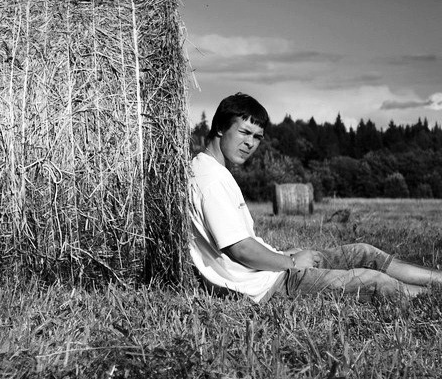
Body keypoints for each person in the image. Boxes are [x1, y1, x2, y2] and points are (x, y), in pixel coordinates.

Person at [189, 92, 442, 303]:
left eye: (257, 137)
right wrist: (290, 261)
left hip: (269, 271)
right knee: (374, 281)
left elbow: (244, 242)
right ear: (220, 128)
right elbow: (241, 249)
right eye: (244, 132)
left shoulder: (213, 170)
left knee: (364, 252)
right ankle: (431, 297)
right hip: (270, 285)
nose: (250, 143)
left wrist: (281, 254)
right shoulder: (211, 179)